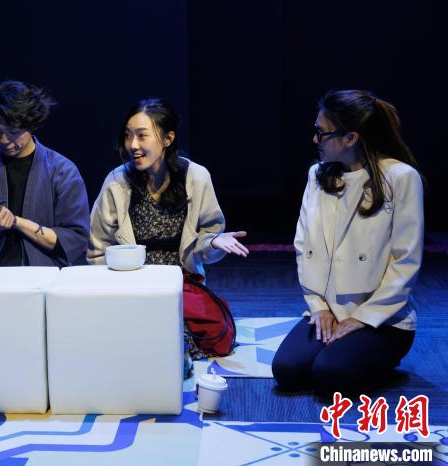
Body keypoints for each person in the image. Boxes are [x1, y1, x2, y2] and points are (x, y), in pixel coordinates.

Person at [272, 89, 423, 397]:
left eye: (322, 132)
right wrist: (319, 308)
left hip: (383, 318)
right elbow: (303, 246)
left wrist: (362, 318)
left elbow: (405, 261)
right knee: (288, 370)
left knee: (331, 375)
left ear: (351, 138)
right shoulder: (318, 176)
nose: (315, 139)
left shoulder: (400, 177)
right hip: (329, 311)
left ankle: (377, 355)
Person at [88, 98, 248, 362]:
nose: (133, 145)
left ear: (167, 139)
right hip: (132, 286)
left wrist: (213, 242)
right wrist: (106, 294)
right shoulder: (117, 181)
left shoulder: (196, 177)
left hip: (180, 284)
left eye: (142, 136)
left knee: (217, 332)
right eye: (128, 136)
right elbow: (98, 247)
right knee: (142, 334)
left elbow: (207, 238)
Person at [0, 80, 90, 267]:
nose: (3, 140)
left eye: (13, 132)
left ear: (32, 125)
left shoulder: (62, 172)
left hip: (44, 276)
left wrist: (16, 222)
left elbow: (75, 239)